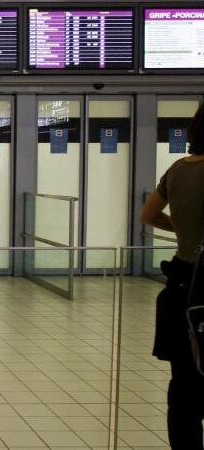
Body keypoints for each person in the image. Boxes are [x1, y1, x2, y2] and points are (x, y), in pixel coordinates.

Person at [141, 102, 204, 450]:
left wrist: (181, 230)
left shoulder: (178, 169)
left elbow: (148, 215)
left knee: (183, 385)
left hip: (184, 286)